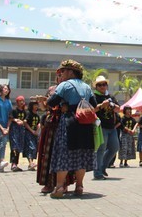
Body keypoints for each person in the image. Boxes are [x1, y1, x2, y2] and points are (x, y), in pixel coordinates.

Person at [47, 59, 97, 198]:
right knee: (81, 154)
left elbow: (51, 102)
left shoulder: (64, 85)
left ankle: (59, 188)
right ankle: (79, 186)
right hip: (85, 124)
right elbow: (94, 104)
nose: (61, 74)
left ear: (71, 72)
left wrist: (66, 105)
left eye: (63, 71)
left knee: (64, 154)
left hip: (69, 122)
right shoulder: (87, 87)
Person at [36, 84, 75, 193]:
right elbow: (45, 108)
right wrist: (41, 101)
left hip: (61, 126)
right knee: (47, 155)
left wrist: (48, 100)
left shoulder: (64, 91)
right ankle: (48, 184)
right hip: (49, 128)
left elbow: (63, 107)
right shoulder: (51, 89)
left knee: (61, 156)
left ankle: (64, 183)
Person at [92, 75, 120, 179]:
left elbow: (118, 109)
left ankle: (102, 166)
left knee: (114, 147)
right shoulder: (94, 96)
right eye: (100, 85)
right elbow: (92, 110)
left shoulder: (110, 97)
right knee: (101, 149)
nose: (102, 86)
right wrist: (101, 105)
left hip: (112, 127)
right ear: (96, 87)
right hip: (100, 126)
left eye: (104, 84)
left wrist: (112, 105)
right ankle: (97, 172)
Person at [0, 84, 12, 172]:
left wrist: (7, 127)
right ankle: (1, 160)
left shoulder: (9, 101)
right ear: (1, 90)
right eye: (4, 88)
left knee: (1, 142)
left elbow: (10, 116)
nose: (6, 90)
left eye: (7, 89)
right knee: (3, 141)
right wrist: (2, 128)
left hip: (5, 125)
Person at [9, 95, 27, 172]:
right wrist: (16, 120)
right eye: (20, 101)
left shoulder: (25, 111)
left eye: (22, 101)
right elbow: (11, 118)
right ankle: (13, 163)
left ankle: (16, 163)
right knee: (14, 146)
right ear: (17, 102)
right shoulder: (14, 110)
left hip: (21, 130)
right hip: (14, 129)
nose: (21, 102)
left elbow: (26, 119)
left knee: (19, 146)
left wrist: (23, 121)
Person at [24, 101, 41, 171]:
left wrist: (37, 131)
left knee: (35, 148)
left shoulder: (37, 115)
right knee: (31, 147)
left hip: (35, 133)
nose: (36, 106)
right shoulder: (29, 114)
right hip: (28, 133)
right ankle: (31, 163)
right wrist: (32, 131)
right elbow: (25, 122)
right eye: (35, 105)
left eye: (37, 105)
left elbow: (39, 123)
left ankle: (31, 164)